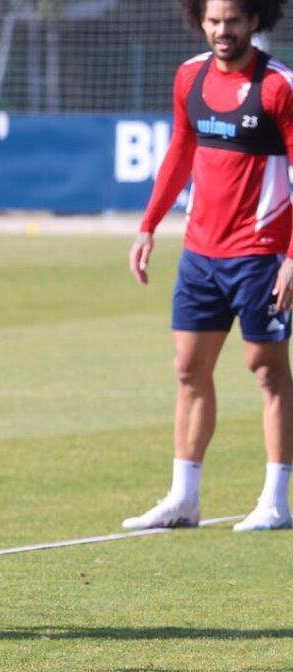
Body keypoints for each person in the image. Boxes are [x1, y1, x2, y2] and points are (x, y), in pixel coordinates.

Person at [124, 0, 293, 533]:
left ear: (255, 21)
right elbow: (180, 149)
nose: (223, 31)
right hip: (201, 255)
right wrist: (149, 224)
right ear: (200, 20)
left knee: (266, 370)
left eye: (234, 21)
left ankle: (276, 500)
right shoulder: (189, 76)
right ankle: (184, 498)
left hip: (262, 255)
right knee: (188, 372)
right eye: (214, 20)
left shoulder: (279, 87)